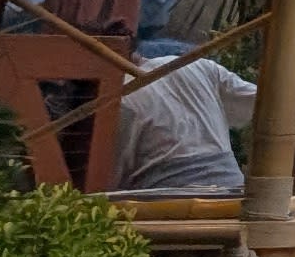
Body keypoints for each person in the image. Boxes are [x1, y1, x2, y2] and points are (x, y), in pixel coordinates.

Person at [106, 34, 253, 197]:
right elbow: (256, 102)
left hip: (169, 199)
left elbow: (108, 177)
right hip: (231, 190)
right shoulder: (198, 66)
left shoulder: (119, 98)